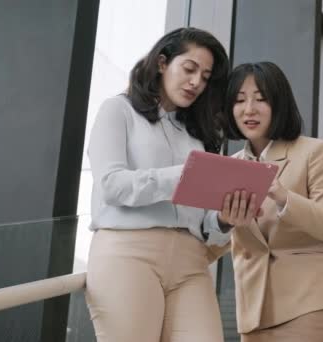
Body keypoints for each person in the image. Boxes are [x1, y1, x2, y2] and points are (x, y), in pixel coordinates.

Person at [85, 27, 230, 342]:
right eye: (189, 69)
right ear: (162, 63)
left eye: (205, 77)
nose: (196, 83)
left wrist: (224, 220)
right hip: (128, 255)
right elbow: (112, 185)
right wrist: (183, 175)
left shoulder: (197, 134)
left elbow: (202, 218)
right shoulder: (118, 110)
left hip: (192, 260)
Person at [216, 61, 323, 342]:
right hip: (253, 311)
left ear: (279, 104)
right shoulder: (229, 167)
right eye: (239, 100)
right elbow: (216, 243)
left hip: (310, 303)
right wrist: (222, 222)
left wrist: (283, 196)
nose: (249, 109)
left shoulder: (313, 151)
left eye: (260, 99)